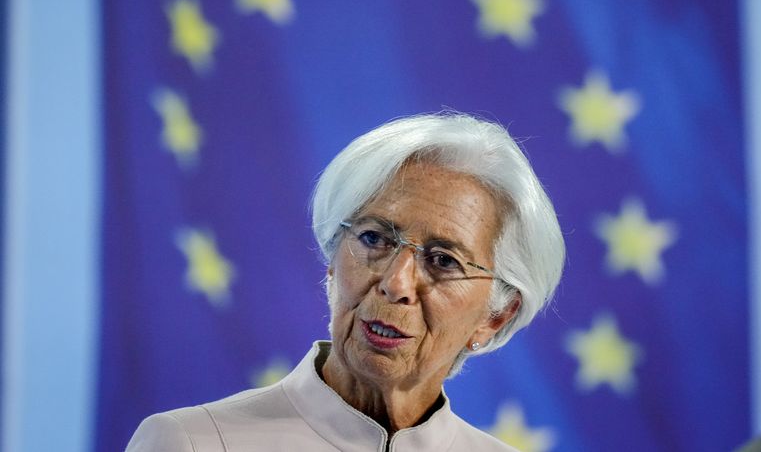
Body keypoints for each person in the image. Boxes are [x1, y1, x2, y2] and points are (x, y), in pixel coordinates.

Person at [126, 112, 566, 451]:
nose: (396, 284)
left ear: (495, 316)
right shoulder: (190, 442)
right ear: (333, 258)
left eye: (443, 261)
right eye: (374, 238)